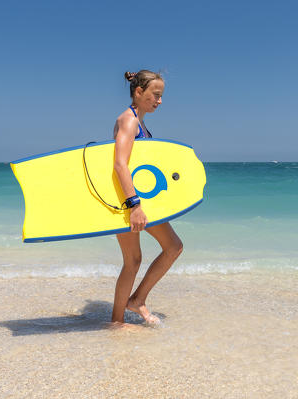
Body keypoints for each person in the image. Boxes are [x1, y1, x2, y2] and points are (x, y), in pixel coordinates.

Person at [111, 70, 183, 325]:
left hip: (136, 201)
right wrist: (135, 206)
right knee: (136, 260)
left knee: (161, 251)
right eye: (156, 95)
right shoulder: (128, 121)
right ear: (139, 92)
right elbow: (120, 164)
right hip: (127, 201)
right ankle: (118, 321)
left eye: (161, 96)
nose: (159, 101)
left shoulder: (139, 121)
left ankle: (132, 304)